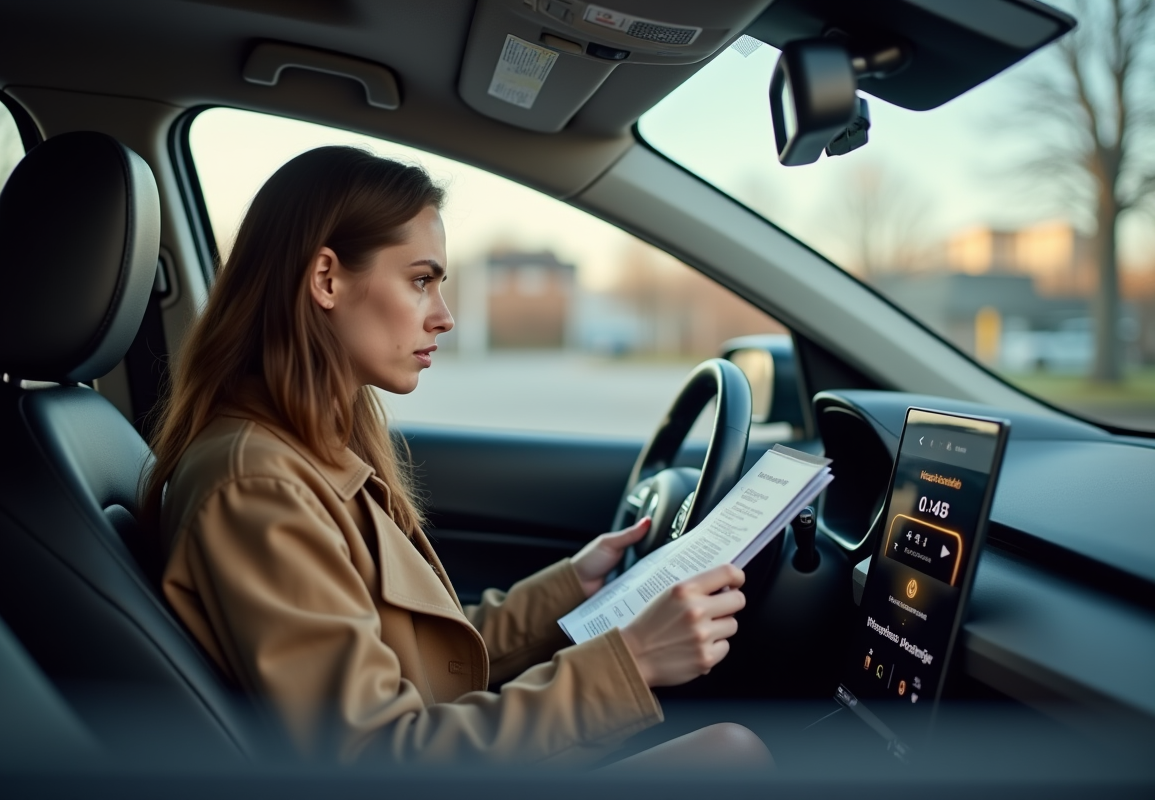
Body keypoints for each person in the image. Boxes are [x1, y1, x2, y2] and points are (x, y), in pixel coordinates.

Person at [142, 146, 769, 768]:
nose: (444, 317)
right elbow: (373, 757)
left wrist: (574, 585)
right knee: (732, 755)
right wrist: (633, 661)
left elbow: (423, 658)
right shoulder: (256, 487)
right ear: (327, 279)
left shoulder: (311, 450)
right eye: (421, 281)